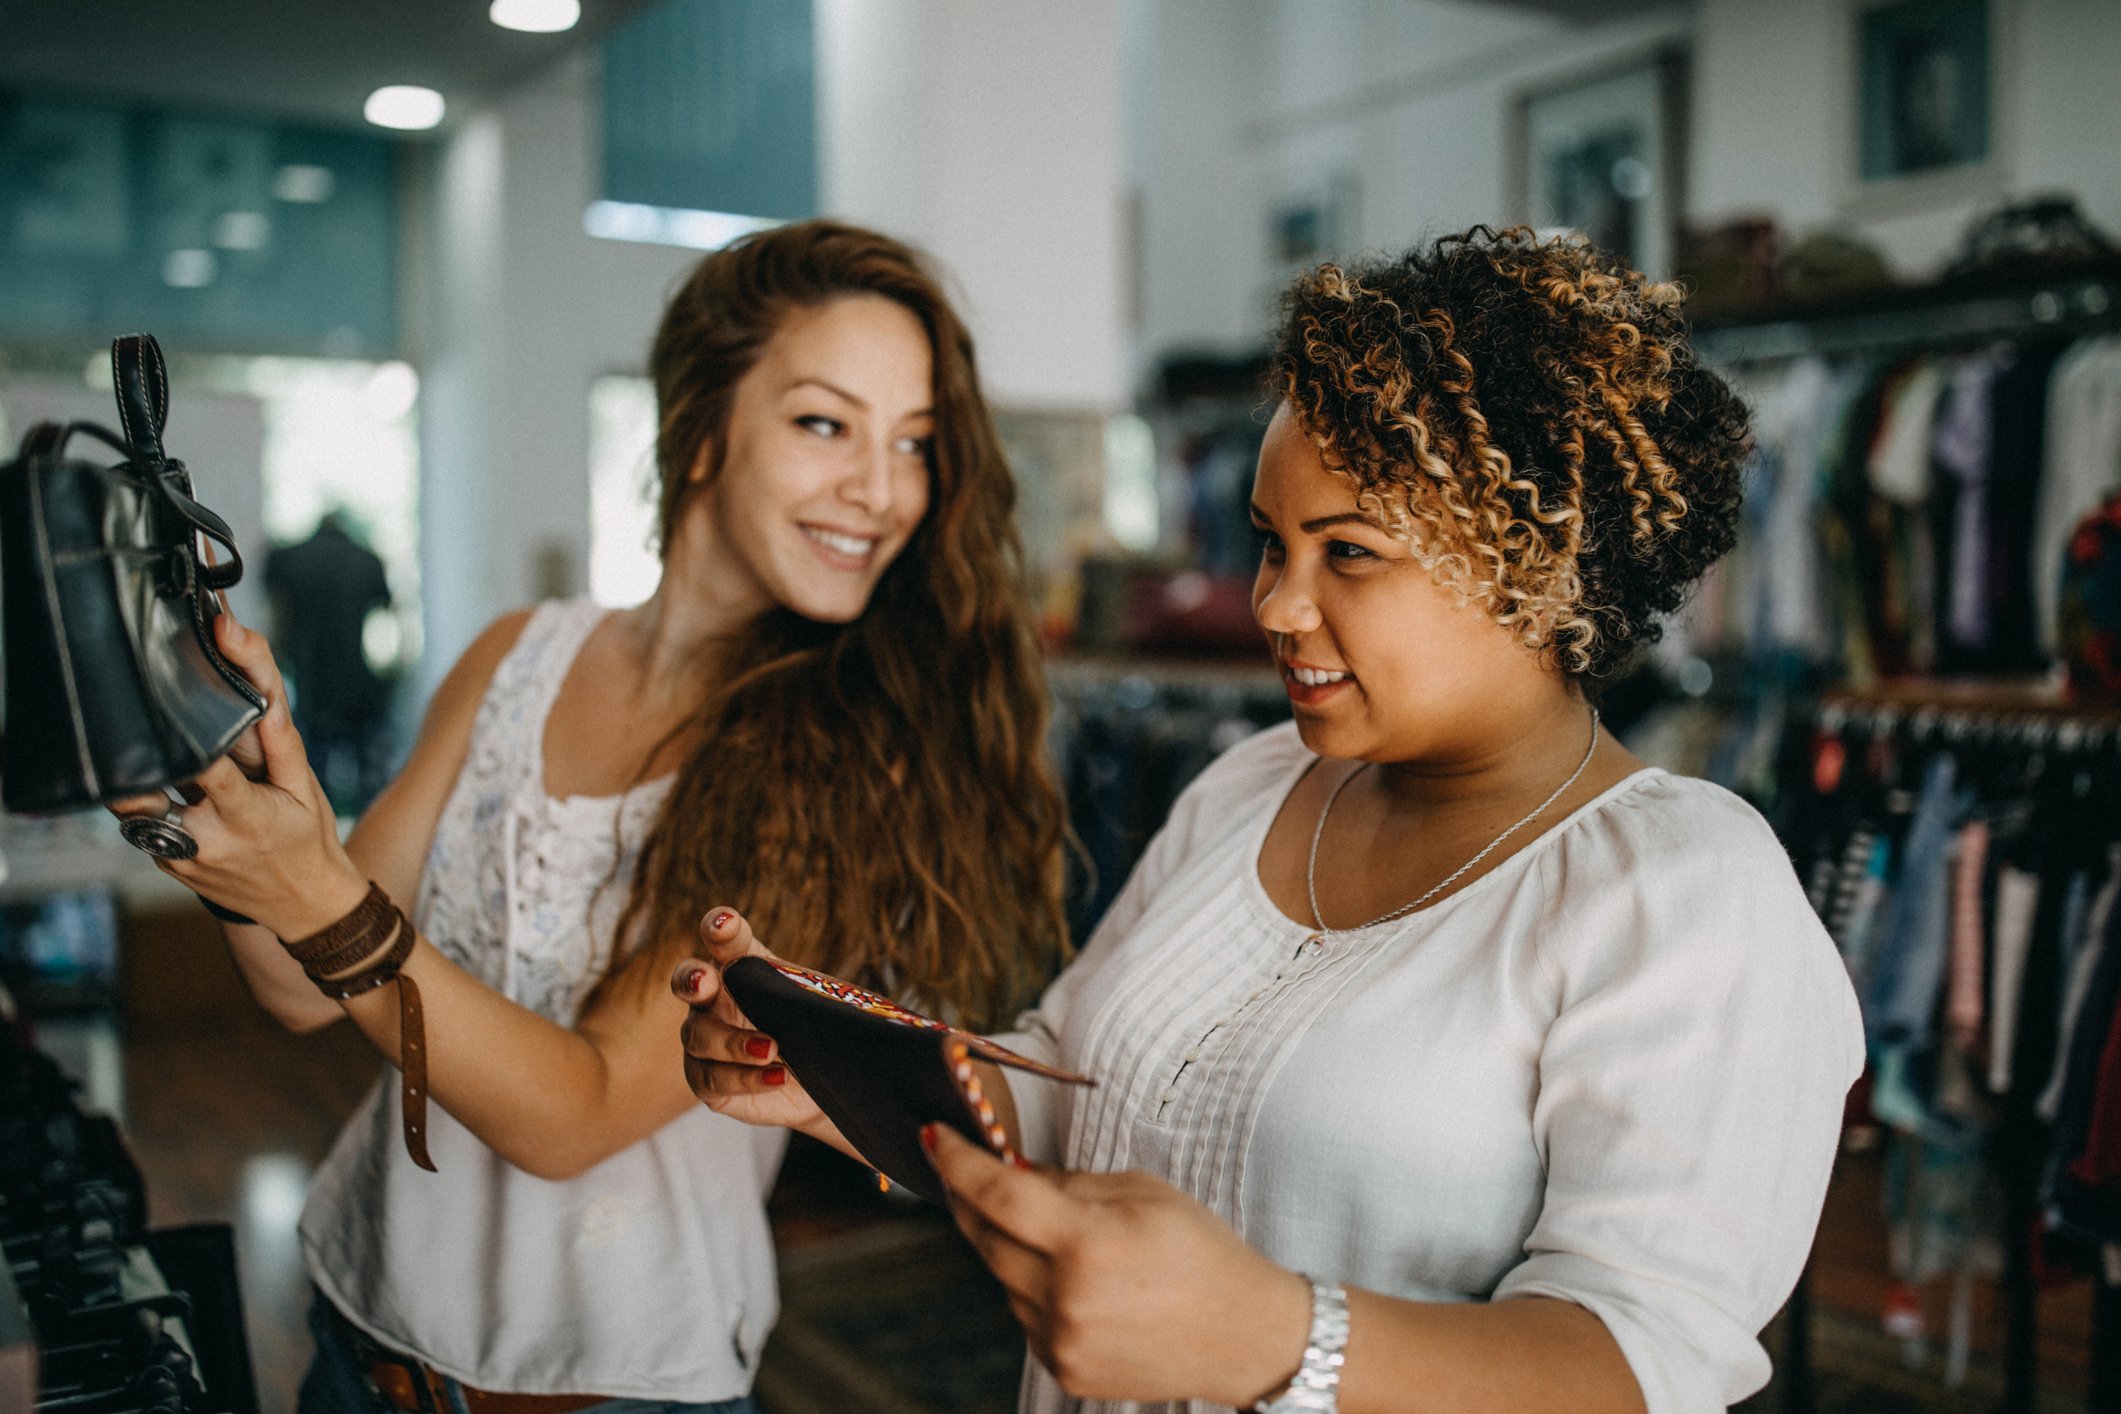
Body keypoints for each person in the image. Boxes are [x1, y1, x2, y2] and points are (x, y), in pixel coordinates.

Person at [674, 227, 1865, 1414]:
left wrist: (1281, 1340)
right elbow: (1069, 1095)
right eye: (1271, 541)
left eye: (1348, 553)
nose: (1274, 605)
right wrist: (846, 1076)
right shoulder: (1250, 786)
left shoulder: (1682, 891)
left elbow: (1642, 1360)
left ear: (1537, 566)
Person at [110, 220, 1069, 1413]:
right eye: (825, 423)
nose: (880, 489)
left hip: (613, 1393)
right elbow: (302, 982)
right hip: (357, 1349)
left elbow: (576, 1114)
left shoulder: (835, 763)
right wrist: (227, 798)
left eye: (915, 442)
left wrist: (319, 892)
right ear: (702, 425)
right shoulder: (523, 652)